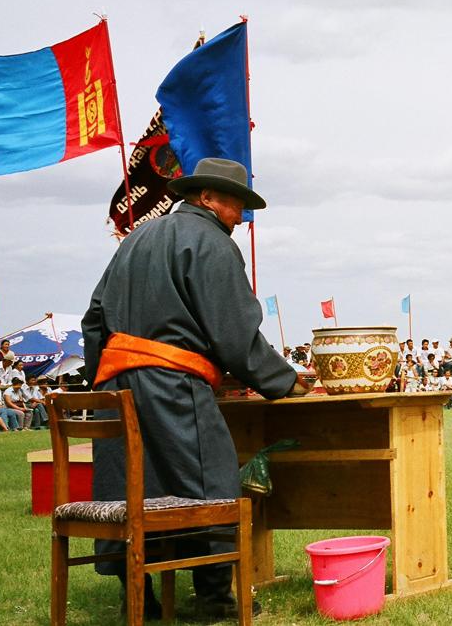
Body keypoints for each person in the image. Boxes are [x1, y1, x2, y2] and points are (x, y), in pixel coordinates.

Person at [81, 158, 310, 618]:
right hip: (171, 386)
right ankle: (215, 598)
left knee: (131, 490)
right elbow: (233, 330)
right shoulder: (211, 243)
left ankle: (138, 598)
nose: (239, 216)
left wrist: (105, 379)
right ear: (204, 198)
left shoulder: (136, 239)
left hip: (117, 387)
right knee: (213, 485)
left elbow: (94, 318)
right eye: (233, 203)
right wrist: (283, 381)